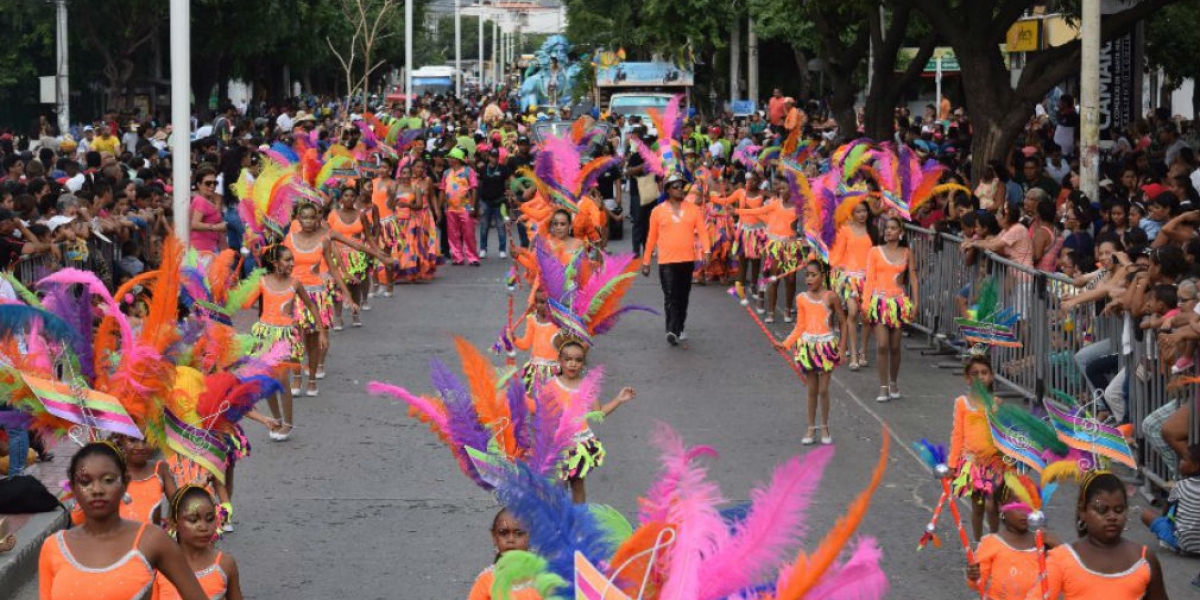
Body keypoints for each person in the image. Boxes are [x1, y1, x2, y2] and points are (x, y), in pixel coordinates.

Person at [39, 442, 209, 600]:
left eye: (108, 480)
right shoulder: (53, 547)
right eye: (85, 482)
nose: (97, 489)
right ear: (73, 488)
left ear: (125, 483)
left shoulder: (153, 540)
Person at [1043, 472, 1169, 599]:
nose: (1112, 517)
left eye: (1119, 510)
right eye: (1102, 510)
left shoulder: (1144, 559)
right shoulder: (1060, 559)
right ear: (1083, 512)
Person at [545, 335, 635, 503]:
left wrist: (619, 399)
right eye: (568, 359)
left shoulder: (588, 386)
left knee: (578, 484)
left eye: (578, 360)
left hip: (581, 444)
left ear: (583, 363)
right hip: (558, 443)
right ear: (560, 360)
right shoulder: (551, 385)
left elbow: (599, 412)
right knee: (559, 484)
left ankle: (580, 519)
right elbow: (543, 416)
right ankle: (560, 521)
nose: (573, 363)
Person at [247, 244, 320, 440]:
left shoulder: (295, 283)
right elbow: (245, 301)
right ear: (275, 262)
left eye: (292, 259)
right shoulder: (262, 281)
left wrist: (321, 331)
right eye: (287, 259)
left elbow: (311, 305)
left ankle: (288, 423)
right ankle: (276, 419)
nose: (292, 263)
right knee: (267, 381)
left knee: (282, 380)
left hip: (285, 336)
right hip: (264, 334)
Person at [775, 259, 845, 445]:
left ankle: (824, 426)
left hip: (827, 347)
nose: (809, 278)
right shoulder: (801, 299)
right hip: (808, 347)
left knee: (823, 390)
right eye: (806, 275)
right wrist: (786, 343)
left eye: (813, 275)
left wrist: (843, 349)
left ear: (823, 276)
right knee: (812, 390)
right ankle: (810, 427)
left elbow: (843, 322)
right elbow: (800, 326)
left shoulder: (831, 297)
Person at [641, 172, 711, 346]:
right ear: (668, 190)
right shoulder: (657, 211)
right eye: (676, 187)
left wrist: (707, 251)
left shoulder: (693, 209)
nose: (680, 190)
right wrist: (646, 261)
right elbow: (651, 237)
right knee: (671, 296)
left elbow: (702, 231)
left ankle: (679, 326)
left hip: (687, 259)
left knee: (683, 296)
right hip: (666, 261)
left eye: (682, 186)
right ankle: (671, 330)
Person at [152, 486, 244, 600]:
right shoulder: (161, 568)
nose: (204, 527)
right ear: (174, 522)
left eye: (210, 519)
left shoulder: (225, 564)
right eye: (193, 520)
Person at [948, 355, 1003, 541]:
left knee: (991, 505)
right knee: (978, 506)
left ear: (991, 376)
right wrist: (952, 464)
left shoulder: (996, 403)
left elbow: (1003, 434)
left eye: (984, 373)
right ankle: (978, 543)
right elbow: (957, 435)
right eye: (975, 373)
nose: (980, 377)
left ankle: (995, 541)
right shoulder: (962, 403)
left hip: (993, 462)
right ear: (968, 378)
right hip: (971, 463)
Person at [863, 217, 917, 402]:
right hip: (879, 302)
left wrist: (915, 303)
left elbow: (913, 279)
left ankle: (893, 382)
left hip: (899, 303)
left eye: (893, 228)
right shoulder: (874, 252)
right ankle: (883, 386)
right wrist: (865, 303)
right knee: (882, 345)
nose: (888, 231)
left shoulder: (907, 252)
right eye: (886, 228)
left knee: (895, 347)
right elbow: (869, 279)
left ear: (900, 232)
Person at [966, 498, 1062, 600]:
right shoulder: (990, 543)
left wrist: (1057, 545)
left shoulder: (1043, 542)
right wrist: (974, 576)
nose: (1024, 513)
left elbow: (1070, 570)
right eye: (1018, 506)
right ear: (1001, 507)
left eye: (1028, 506)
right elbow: (977, 583)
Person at [735, 177, 801, 324]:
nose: (782, 191)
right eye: (780, 188)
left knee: (790, 280)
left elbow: (809, 224)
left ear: (793, 191)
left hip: (791, 246)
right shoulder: (774, 203)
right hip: (774, 244)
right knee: (773, 277)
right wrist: (737, 209)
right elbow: (760, 212)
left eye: (785, 188)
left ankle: (788, 309)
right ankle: (769, 309)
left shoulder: (799, 207)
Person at [829, 199, 874, 370]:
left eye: (864, 211)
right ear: (852, 214)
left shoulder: (873, 230)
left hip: (869, 278)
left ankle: (863, 352)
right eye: (858, 211)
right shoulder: (845, 230)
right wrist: (834, 264)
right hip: (850, 279)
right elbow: (837, 254)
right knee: (853, 312)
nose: (862, 214)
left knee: (867, 316)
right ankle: (854, 354)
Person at [327, 182, 377, 329]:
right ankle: (338, 318)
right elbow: (328, 235)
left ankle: (355, 314)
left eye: (352, 196)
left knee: (355, 286)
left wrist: (375, 252)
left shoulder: (361, 215)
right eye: (346, 196)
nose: (349, 198)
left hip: (357, 256)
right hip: (337, 254)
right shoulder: (333, 215)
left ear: (356, 198)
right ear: (341, 198)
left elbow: (368, 236)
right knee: (338, 286)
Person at [466, 509, 540, 600]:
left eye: (519, 533)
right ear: (494, 537)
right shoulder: (486, 580)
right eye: (503, 533)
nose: (511, 540)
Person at [1140, 443, 1200, 555]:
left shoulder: (1180, 486)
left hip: (1183, 545)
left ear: (1195, 466)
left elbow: (1167, 508)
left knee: (1146, 515)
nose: (1180, 462)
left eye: (1184, 459)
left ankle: (1170, 543)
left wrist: (1166, 522)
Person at [512, 288, 561, 393]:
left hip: (554, 370)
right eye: (537, 302)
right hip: (535, 370)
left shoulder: (559, 323)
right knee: (533, 399)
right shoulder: (532, 320)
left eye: (543, 302)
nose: (538, 305)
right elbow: (525, 345)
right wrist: (514, 339)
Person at [441, 147, 480, 266]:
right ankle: (457, 257)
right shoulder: (446, 173)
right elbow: (442, 189)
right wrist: (442, 205)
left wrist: (473, 206)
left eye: (451, 157)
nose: (449, 159)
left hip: (465, 208)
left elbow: (474, 189)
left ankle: (472, 257)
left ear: (457, 159)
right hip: (451, 208)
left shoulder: (468, 171)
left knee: (469, 233)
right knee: (453, 234)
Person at [477, 148, 510, 259]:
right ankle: (483, 249)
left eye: (496, 156)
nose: (494, 158)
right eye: (492, 156)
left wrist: (507, 197)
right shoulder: (482, 169)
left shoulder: (503, 169)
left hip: (499, 201)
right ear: (488, 157)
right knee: (484, 226)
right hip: (485, 201)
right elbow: (479, 184)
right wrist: (478, 202)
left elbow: (507, 183)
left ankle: (502, 249)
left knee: (501, 226)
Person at [190, 167, 226, 265]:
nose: (212, 186)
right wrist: (215, 227)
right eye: (208, 183)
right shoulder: (200, 201)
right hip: (203, 252)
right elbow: (194, 224)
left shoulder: (207, 200)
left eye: (215, 183)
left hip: (209, 250)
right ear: (199, 185)